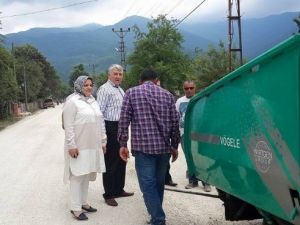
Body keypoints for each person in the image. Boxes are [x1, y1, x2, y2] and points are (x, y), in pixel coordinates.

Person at [118, 69, 180, 225]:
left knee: (147, 185)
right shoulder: (167, 95)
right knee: (158, 184)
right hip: (164, 149)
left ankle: (158, 219)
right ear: (156, 80)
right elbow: (175, 123)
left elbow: (124, 121)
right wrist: (174, 146)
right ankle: (156, 216)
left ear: (140, 80)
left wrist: (123, 144)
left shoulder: (131, 93)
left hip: (143, 149)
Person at [63, 75, 107, 220]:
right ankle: (75, 208)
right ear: (79, 86)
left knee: (86, 174)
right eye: (85, 85)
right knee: (77, 175)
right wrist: (71, 145)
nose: (89, 87)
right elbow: (68, 125)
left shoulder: (93, 101)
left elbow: (100, 123)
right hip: (79, 146)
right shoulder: (72, 101)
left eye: (91, 85)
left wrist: (103, 141)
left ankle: (83, 203)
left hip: (93, 145)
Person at [96, 64, 134, 207]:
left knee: (121, 159)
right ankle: (109, 194)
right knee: (111, 161)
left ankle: (119, 189)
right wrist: (103, 135)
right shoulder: (104, 89)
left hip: (121, 127)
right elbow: (99, 113)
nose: (118, 76)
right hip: (110, 127)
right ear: (109, 75)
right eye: (115, 74)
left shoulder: (120, 90)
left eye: (120, 74)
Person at [176, 80, 212, 192]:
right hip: (184, 135)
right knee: (189, 157)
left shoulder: (201, 99)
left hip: (199, 135)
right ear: (184, 89)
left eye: (191, 88)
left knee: (202, 157)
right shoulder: (179, 101)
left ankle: (206, 182)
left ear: (195, 88)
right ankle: (192, 181)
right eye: (187, 88)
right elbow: (176, 117)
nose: (189, 90)